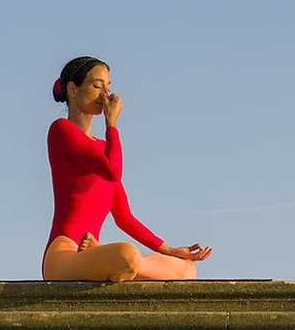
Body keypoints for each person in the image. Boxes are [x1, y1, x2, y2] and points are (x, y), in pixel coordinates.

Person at [41, 56, 213, 282]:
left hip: (94, 252)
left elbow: (124, 217)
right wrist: (111, 125)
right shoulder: (60, 130)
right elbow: (113, 171)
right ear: (73, 90)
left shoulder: (104, 148)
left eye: (108, 87)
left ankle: (107, 260)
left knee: (186, 269)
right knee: (128, 254)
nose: (105, 95)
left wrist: (170, 250)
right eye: (96, 86)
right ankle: (115, 263)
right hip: (63, 253)